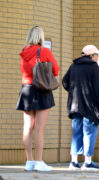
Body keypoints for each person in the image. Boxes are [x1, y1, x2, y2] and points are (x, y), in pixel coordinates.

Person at [17, 26, 60, 171]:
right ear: (41, 37)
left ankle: (29, 162)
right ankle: (39, 162)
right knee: (39, 128)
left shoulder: (24, 52)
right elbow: (56, 70)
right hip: (41, 90)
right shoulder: (44, 51)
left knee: (27, 128)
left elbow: (24, 71)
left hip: (26, 90)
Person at [62, 45, 99, 170]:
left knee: (76, 132)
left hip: (75, 105)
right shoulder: (94, 67)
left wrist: (74, 92)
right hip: (89, 106)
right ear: (91, 56)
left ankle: (74, 162)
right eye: (97, 55)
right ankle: (87, 162)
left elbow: (65, 82)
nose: (98, 57)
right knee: (89, 132)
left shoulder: (74, 66)